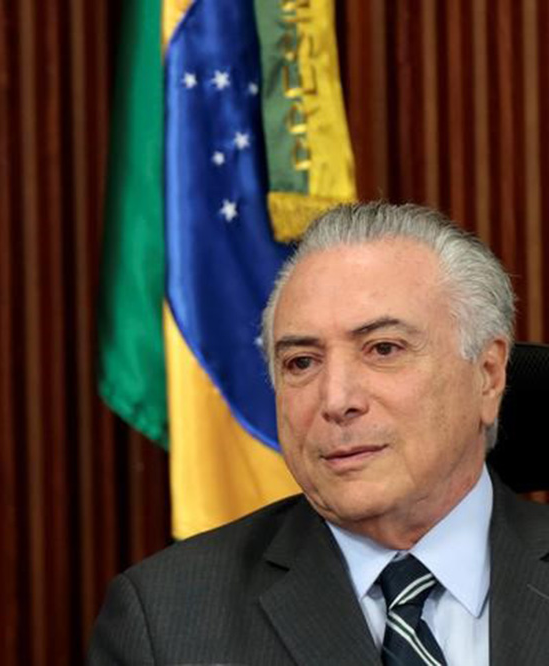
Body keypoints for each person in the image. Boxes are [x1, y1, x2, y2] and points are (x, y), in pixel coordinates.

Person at [88, 202, 549, 665]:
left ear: (488, 375)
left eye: (383, 349)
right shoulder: (164, 622)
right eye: (301, 362)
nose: (335, 400)